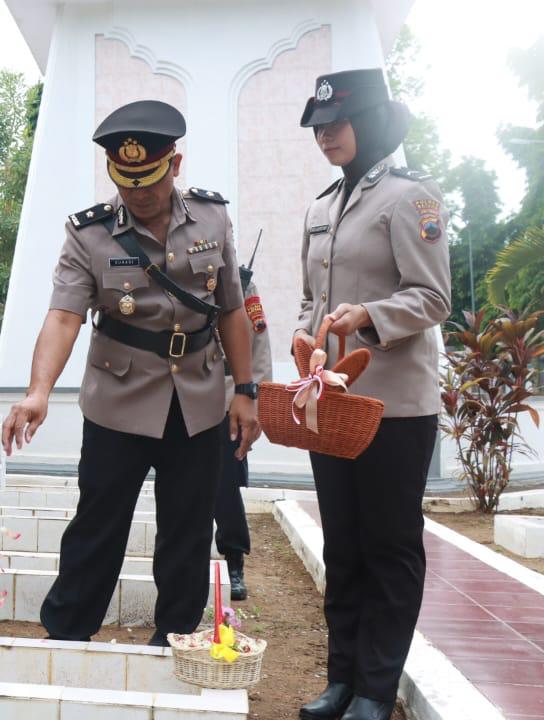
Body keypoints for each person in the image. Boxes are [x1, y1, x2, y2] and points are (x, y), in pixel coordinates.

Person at [1, 101, 261, 646]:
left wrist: (246, 390)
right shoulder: (88, 233)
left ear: (175, 164)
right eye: (126, 180)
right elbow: (64, 316)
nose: (138, 192)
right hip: (118, 401)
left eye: (148, 178)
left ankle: (175, 637)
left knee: (188, 531)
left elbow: (234, 310)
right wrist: (37, 392)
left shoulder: (212, 218)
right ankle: (67, 636)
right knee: (98, 526)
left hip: (197, 400)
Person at [294, 69, 451, 720]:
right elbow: (310, 298)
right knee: (345, 543)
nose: (324, 135)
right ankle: (341, 680)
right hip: (330, 400)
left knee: (389, 544)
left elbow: (433, 298)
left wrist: (369, 317)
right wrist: (305, 339)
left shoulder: (414, 200)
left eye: (336, 123)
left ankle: (375, 688)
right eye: (318, 127)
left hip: (394, 405)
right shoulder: (320, 207)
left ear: (372, 124)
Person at [214, 264, 272, 601]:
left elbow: (258, 343)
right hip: (182, 395)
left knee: (225, 484)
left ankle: (234, 561)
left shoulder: (242, 283)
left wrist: (256, 396)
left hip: (227, 397)